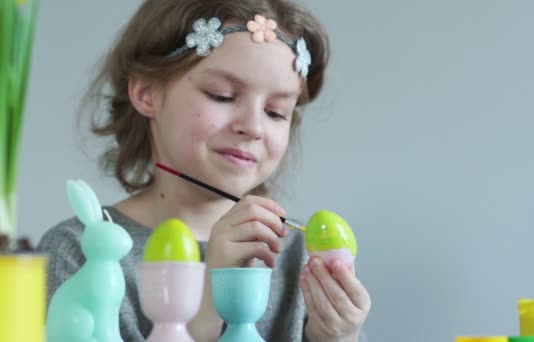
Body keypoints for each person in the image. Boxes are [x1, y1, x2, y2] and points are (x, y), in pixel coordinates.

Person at [37, 0, 371, 341]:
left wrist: (336, 336)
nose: (253, 127)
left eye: (276, 112)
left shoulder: (301, 258)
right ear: (147, 92)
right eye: (222, 96)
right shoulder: (85, 251)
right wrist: (208, 303)